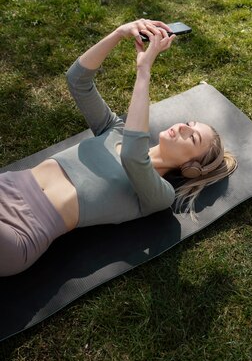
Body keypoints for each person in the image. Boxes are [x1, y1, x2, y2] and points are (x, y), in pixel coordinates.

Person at [0, 19, 237, 276]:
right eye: (189, 123)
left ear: (190, 168)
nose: (182, 127)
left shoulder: (159, 195)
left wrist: (144, 70)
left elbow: (133, 156)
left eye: (192, 138)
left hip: (22, 231)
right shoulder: (116, 129)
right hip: (8, 186)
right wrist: (118, 33)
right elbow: (78, 80)